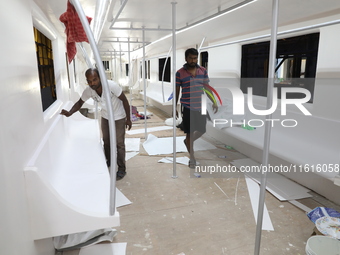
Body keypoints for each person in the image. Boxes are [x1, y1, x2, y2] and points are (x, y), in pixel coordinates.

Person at [60, 68, 132, 180]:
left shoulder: (111, 86)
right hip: (105, 116)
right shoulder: (89, 90)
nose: (92, 83)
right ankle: (109, 161)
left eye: (94, 79)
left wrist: (128, 118)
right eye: (89, 81)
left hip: (118, 116)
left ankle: (122, 169)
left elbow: (125, 100)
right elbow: (79, 103)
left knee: (119, 143)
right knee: (106, 141)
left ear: (100, 78)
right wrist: (70, 112)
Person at [175, 48, 218, 169]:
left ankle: (188, 142)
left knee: (202, 130)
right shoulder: (180, 73)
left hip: (201, 105)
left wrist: (214, 101)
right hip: (188, 106)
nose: (193, 60)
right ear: (186, 58)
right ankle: (192, 157)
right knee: (189, 132)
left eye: (195, 58)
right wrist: (175, 107)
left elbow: (207, 87)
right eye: (191, 58)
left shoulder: (203, 71)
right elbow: (177, 91)